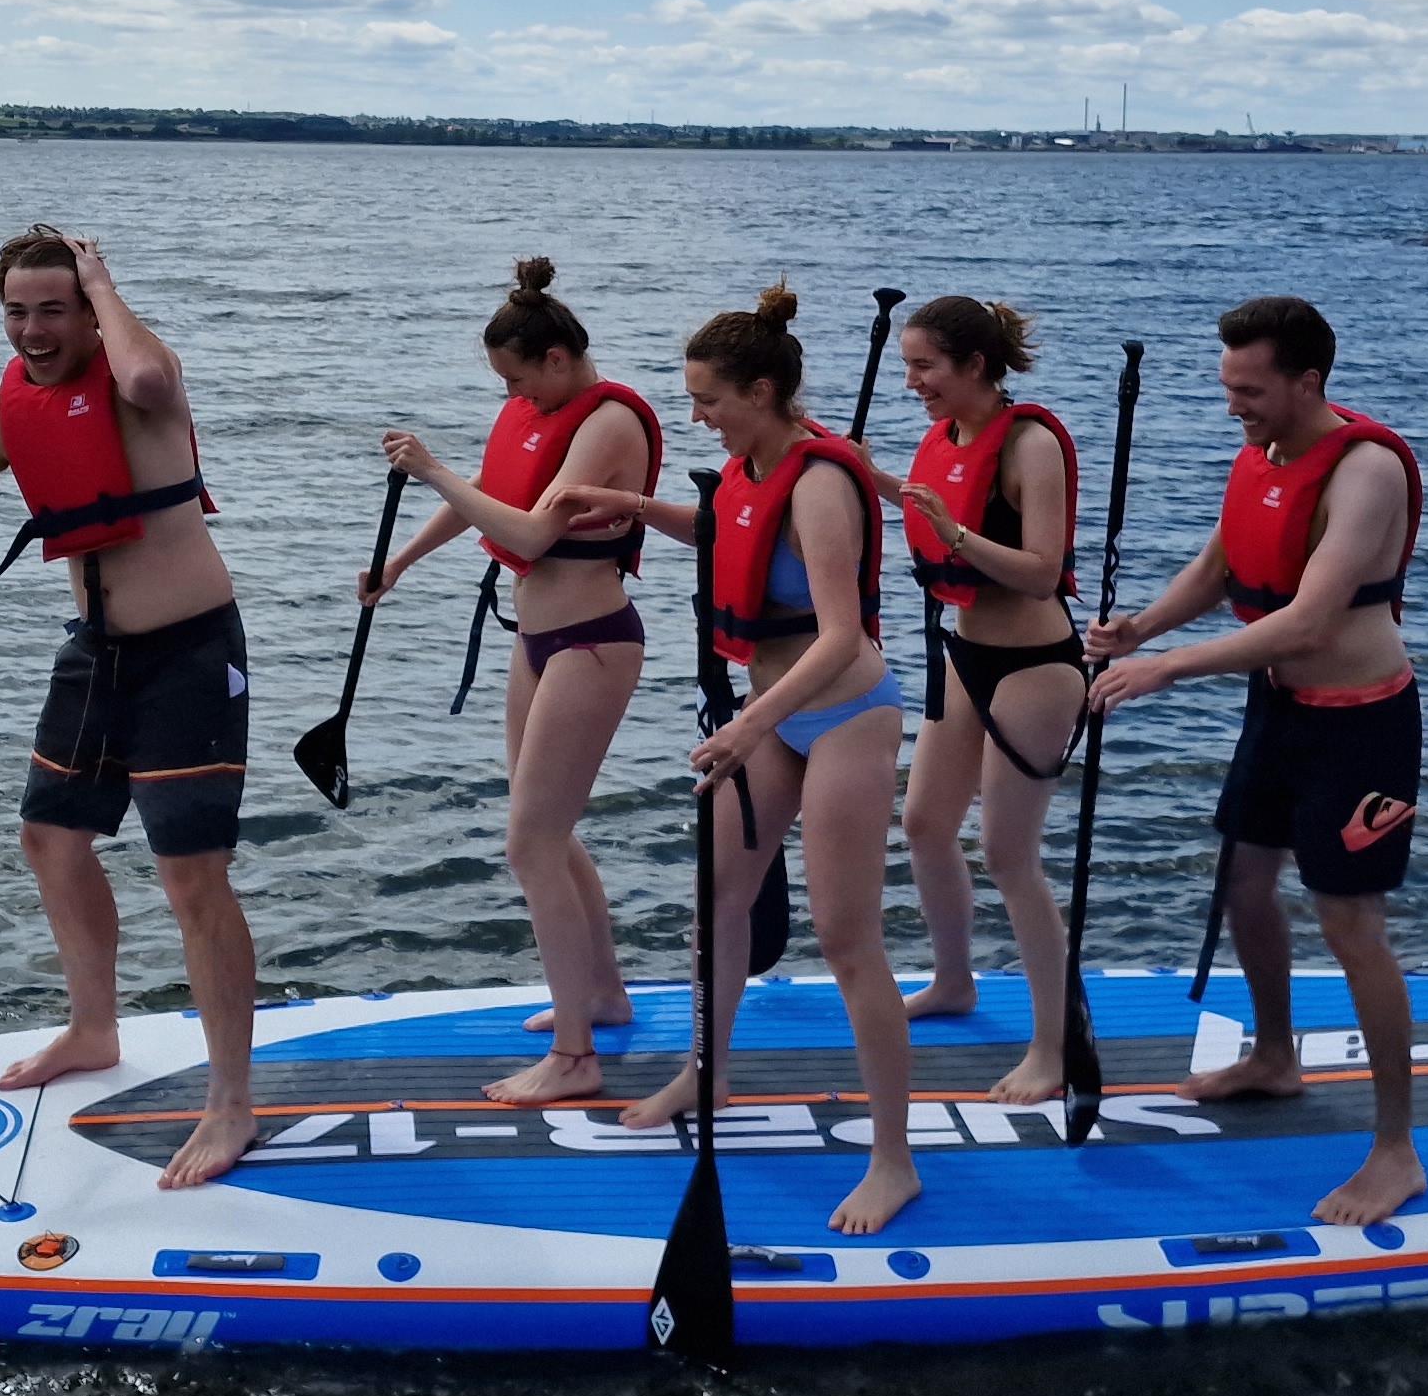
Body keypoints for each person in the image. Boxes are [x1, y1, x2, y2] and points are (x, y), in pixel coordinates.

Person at [0, 225, 258, 1189]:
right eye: (16, 310)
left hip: (190, 655)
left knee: (192, 881)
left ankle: (231, 1103)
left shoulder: (139, 378)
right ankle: (94, 1027)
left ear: (90, 309)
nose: (32, 330)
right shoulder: (7, 411)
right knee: (51, 837)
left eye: (53, 308)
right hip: (96, 658)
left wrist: (104, 278)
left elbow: (149, 383)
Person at [560, 284, 920, 1239]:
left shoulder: (820, 481)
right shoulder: (752, 470)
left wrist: (754, 722)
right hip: (768, 717)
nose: (696, 418)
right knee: (717, 902)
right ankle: (704, 1070)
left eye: (709, 402)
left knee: (848, 941)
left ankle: (894, 1160)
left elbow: (841, 636)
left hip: (841, 716)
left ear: (760, 391)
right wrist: (628, 502)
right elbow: (726, 533)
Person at [1082, 292, 1427, 1227]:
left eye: (1251, 388)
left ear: (1308, 380)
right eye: (1228, 385)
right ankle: (1276, 1058)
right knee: (1242, 883)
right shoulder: (1264, 452)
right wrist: (1137, 630)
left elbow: (1312, 617)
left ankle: (1396, 1150)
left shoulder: (1365, 473)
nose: (1234, 403)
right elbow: (1225, 567)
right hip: (1277, 708)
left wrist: (1165, 669)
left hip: (1361, 726)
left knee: (1352, 927)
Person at [362, 260, 663, 1104]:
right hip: (536, 641)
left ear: (560, 358)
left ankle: (574, 1061)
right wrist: (401, 562)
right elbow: (491, 492)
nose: (514, 396)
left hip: (592, 641)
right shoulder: (539, 410)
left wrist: (430, 467)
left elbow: (528, 537)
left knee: (529, 843)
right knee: (550, 831)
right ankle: (602, 995)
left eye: (519, 377)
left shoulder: (607, 424)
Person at [881, 294, 1084, 1102]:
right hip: (964, 653)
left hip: (1037, 662)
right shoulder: (947, 437)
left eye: (924, 367)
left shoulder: (1029, 443)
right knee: (925, 824)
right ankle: (955, 980)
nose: (913, 384)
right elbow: (933, 510)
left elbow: (1042, 569)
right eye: (907, 367)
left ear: (974, 365)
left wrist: (956, 533)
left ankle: (1056, 1044)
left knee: (1008, 855)